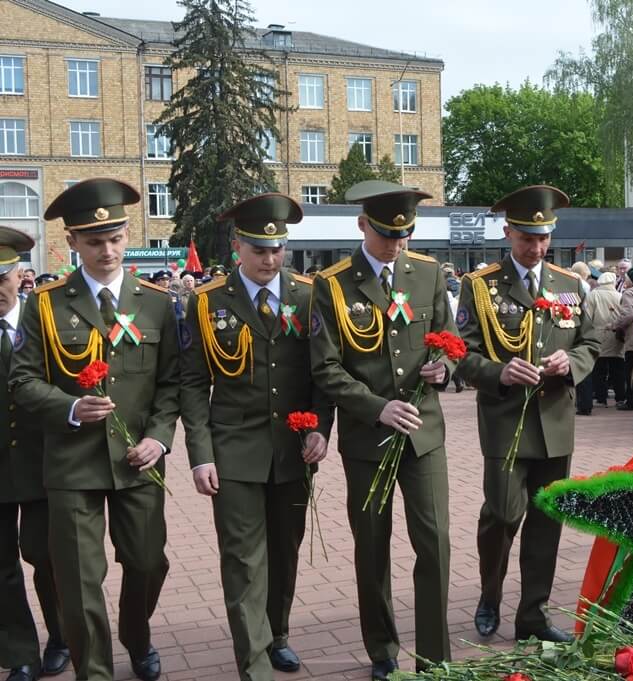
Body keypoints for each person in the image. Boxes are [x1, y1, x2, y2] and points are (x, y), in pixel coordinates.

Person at [10, 179, 179, 681]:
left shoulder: (154, 301)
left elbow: (172, 382)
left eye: (116, 238)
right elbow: (21, 379)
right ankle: (96, 672)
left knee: (149, 563)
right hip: (72, 463)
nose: (107, 250)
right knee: (80, 580)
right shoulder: (46, 304)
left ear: (127, 236)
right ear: (72, 243)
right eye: (94, 240)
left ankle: (137, 636)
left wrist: (159, 437)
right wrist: (67, 406)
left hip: (138, 460)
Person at [179, 194, 334, 679]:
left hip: (293, 447)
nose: (270, 259)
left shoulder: (308, 295)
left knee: (285, 550)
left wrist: (321, 427)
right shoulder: (207, 303)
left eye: (277, 248)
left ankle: (278, 633)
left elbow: (324, 373)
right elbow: (192, 383)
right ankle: (254, 661)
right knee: (244, 558)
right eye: (259, 249)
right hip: (234, 450)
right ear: (237, 246)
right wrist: (200, 456)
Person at [310, 180, 455, 680]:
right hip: (368, 437)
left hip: (424, 433)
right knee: (372, 544)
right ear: (362, 225)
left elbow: (450, 343)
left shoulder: (429, 273)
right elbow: (326, 368)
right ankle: (382, 651)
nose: (396, 244)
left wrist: (444, 368)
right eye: (386, 234)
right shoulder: (332, 284)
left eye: (405, 234)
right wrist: (376, 408)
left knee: (434, 540)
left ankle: (436, 656)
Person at [456, 185, 599, 644]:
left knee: (546, 521)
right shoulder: (479, 286)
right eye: (525, 238)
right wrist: (500, 372)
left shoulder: (570, 285)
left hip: (555, 423)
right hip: (504, 422)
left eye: (542, 238)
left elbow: (591, 343)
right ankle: (490, 596)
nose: (535, 248)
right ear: (508, 233)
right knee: (500, 514)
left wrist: (571, 365)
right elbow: (463, 354)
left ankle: (533, 615)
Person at [0, 227, 70, 681]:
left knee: (46, 555)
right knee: (2, 566)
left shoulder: (45, 320)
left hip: (47, 461)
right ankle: (19, 652)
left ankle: (61, 635)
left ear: (18, 276)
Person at [583, 271, 624, 409]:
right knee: (617, 368)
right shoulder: (619, 295)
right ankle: (620, 396)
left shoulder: (593, 295)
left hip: (597, 334)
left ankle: (601, 397)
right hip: (616, 335)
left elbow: (587, 316)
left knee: (598, 369)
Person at [611, 267, 633, 411]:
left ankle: (632, 400)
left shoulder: (629, 293)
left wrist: (614, 325)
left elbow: (627, 315)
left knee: (631, 370)